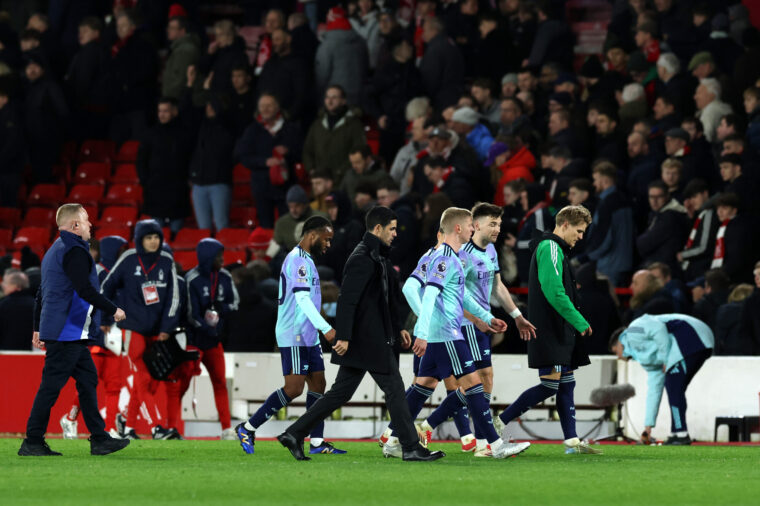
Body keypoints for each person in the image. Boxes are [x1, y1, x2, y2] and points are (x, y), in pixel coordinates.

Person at [277, 206, 443, 462]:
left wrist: (398, 327)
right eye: (392, 229)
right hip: (367, 340)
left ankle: (294, 433)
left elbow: (386, 299)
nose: (395, 234)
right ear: (377, 229)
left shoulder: (377, 256)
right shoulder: (362, 257)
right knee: (395, 388)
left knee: (341, 393)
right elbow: (347, 300)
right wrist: (343, 336)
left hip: (369, 338)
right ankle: (411, 446)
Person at [387, 207, 527, 460]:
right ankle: (494, 445)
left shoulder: (450, 256)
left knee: (423, 387)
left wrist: (487, 317)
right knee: (474, 385)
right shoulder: (444, 259)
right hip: (447, 334)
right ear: (459, 228)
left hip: (443, 333)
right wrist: (423, 332)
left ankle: (393, 439)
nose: (473, 229)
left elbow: (461, 296)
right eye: (470, 225)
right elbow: (429, 295)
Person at [19, 204, 129, 456]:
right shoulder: (75, 251)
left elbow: (42, 292)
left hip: (66, 331)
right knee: (51, 387)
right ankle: (33, 441)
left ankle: (99, 439)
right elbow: (84, 290)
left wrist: (37, 327)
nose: (91, 224)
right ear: (75, 226)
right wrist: (113, 309)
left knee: (87, 381)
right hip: (66, 331)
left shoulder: (55, 249)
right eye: (86, 220)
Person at [235, 216, 346, 455]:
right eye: (326, 239)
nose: (328, 244)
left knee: (318, 384)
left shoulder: (307, 260)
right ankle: (248, 427)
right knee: (294, 388)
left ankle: (317, 442)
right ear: (312, 236)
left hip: (308, 333)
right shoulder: (298, 261)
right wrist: (326, 328)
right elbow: (302, 299)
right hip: (294, 332)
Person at [497, 205, 602, 455]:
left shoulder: (555, 248)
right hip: (550, 329)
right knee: (550, 386)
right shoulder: (550, 248)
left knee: (566, 384)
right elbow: (554, 291)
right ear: (564, 224)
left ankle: (572, 441)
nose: (581, 237)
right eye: (579, 230)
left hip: (559, 328)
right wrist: (579, 320)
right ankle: (498, 422)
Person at [101, 220, 180, 440]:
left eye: (156, 237)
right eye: (148, 237)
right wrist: (106, 316)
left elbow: (174, 297)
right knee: (143, 376)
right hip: (132, 327)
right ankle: (156, 427)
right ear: (139, 240)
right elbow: (107, 286)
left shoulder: (167, 260)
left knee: (147, 381)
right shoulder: (128, 258)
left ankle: (128, 428)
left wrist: (166, 327)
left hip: (157, 330)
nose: (153, 241)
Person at [610, 313, 714, 445]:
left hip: (692, 333)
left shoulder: (632, 330)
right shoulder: (647, 359)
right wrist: (648, 428)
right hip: (698, 339)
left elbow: (658, 328)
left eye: (615, 352)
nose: (618, 357)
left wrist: (665, 359)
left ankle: (681, 434)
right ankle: (677, 433)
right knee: (674, 388)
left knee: (674, 386)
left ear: (619, 342)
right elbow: (654, 391)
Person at [184, 239, 239, 439]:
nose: (222, 259)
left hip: (214, 341)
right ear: (207, 257)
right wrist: (206, 327)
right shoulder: (192, 279)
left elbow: (235, 303)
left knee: (220, 383)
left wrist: (222, 310)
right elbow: (190, 313)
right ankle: (170, 426)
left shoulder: (225, 276)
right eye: (218, 256)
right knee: (182, 384)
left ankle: (226, 428)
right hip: (194, 340)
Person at [137, 97, 193, 235]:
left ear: (174, 112)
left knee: (177, 234)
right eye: (160, 111)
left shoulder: (184, 134)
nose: (161, 114)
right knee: (156, 236)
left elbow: (191, 158)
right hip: (156, 191)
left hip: (178, 191)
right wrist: (146, 181)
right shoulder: (151, 134)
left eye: (165, 111)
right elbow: (141, 160)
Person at [302, 85, 367, 185]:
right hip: (320, 183)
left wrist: (340, 173)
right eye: (327, 97)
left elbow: (360, 151)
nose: (330, 101)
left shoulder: (354, 125)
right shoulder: (317, 124)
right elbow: (307, 150)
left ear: (343, 101)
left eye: (334, 97)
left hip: (345, 183)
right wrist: (312, 170)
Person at [583, 162, 634, 286]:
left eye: (596, 179)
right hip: (625, 262)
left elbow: (603, 237)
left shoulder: (607, 204)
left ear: (604, 180)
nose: (594, 184)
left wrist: (588, 255)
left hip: (609, 265)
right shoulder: (625, 199)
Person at [189, 96, 235, 232]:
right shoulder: (200, 127)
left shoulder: (228, 127)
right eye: (207, 106)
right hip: (199, 184)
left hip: (219, 183)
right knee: (203, 228)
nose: (208, 109)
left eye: (212, 106)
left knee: (221, 224)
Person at [0, 269, 35, 350]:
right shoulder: (35, 304)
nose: (3, 285)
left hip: (6, 352)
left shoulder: (3, 305)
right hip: (31, 352)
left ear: (17, 286)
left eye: (6, 283)